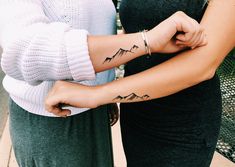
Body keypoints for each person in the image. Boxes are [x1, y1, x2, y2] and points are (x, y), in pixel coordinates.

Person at [0, 0, 207, 166]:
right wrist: (147, 41)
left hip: (101, 109)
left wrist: (102, 90)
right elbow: (26, 49)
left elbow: (203, 63)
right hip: (55, 116)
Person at [45, 0, 235, 166]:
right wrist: (110, 81)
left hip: (183, 123)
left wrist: (96, 94)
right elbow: (132, 33)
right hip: (137, 113)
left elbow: (202, 65)